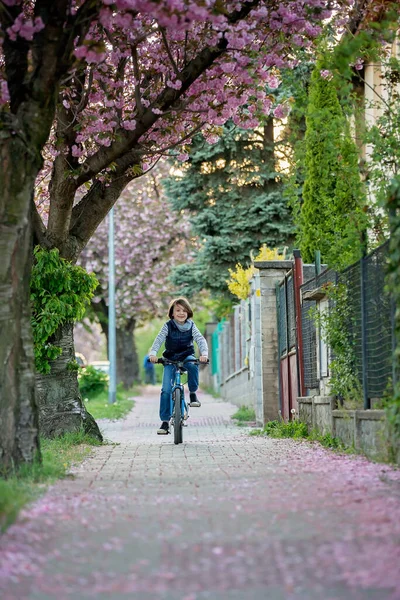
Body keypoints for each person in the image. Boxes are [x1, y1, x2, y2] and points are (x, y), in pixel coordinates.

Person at [149, 297, 208, 435]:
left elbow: (200, 340)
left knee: (193, 365)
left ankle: (193, 393)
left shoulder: (192, 326)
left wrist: (204, 353)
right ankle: (164, 422)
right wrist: (153, 353)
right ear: (172, 313)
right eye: (178, 310)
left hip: (187, 355)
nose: (181, 313)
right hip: (170, 358)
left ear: (188, 312)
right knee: (166, 390)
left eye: (184, 310)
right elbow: (158, 340)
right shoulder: (168, 326)